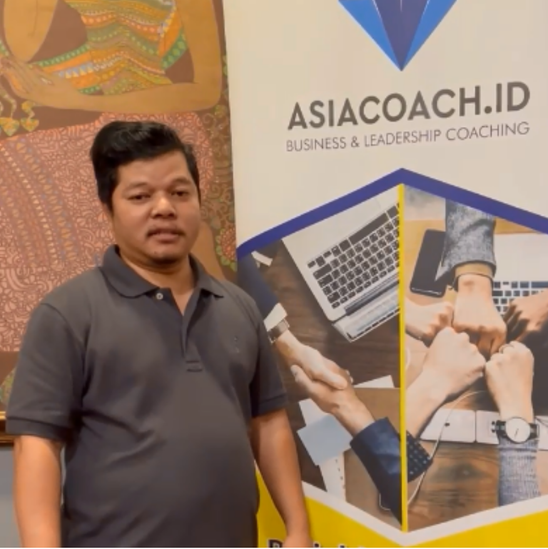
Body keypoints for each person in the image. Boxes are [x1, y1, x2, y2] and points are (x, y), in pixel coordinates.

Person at [6, 121, 311, 548]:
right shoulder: (67, 313)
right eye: (140, 196)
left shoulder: (239, 307)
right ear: (107, 208)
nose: (164, 208)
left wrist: (298, 530)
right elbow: (37, 444)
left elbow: (269, 422)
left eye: (180, 192)